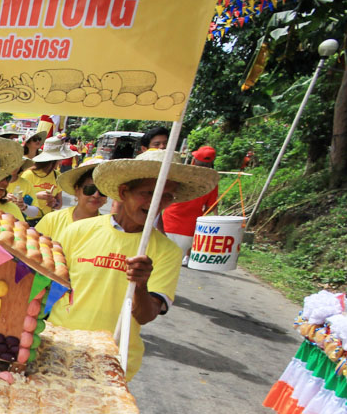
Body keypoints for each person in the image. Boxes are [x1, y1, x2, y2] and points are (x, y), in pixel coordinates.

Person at [48, 149, 219, 380]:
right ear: (123, 192)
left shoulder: (167, 252)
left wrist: (141, 285)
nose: (155, 202)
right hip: (57, 345)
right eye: (147, 193)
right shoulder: (78, 231)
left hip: (112, 357)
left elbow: (146, 316)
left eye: (166, 196)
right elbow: (48, 285)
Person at [160, 145, 218, 263]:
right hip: (189, 228)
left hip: (167, 223)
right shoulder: (211, 183)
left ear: (194, 161)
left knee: (158, 260)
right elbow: (210, 206)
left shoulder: (182, 175)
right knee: (173, 264)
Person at [36, 158, 108, 238]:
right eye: (90, 189)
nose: (96, 195)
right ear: (77, 190)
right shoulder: (52, 220)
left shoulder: (108, 228)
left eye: (102, 190)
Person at [21, 136, 75, 212]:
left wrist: (54, 203)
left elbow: (59, 204)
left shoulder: (57, 175)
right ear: (52, 161)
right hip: (28, 220)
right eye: (59, 160)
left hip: (47, 219)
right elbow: (17, 199)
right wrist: (36, 196)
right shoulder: (29, 174)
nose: (60, 162)